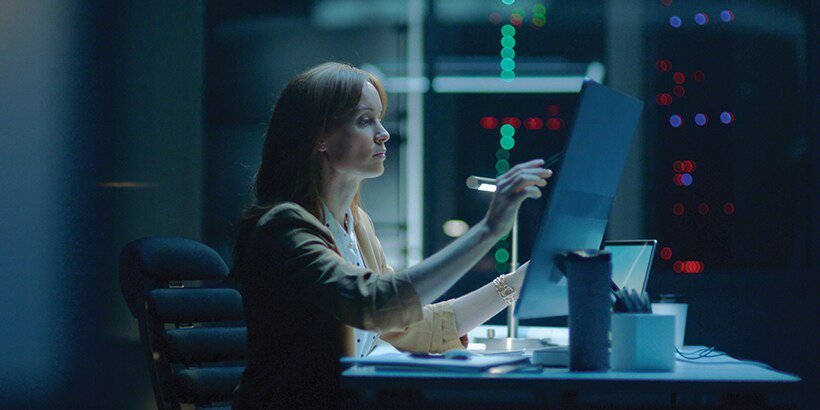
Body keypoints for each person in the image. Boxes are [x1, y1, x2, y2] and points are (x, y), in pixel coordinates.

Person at [230, 62, 552, 407]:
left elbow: (410, 324)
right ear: (319, 137)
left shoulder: (358, 225)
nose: (383, 133)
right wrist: (488, 231)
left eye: (380, 119)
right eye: (365, 120)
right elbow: (376, 305)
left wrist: (517, 283)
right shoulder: (283, 228)